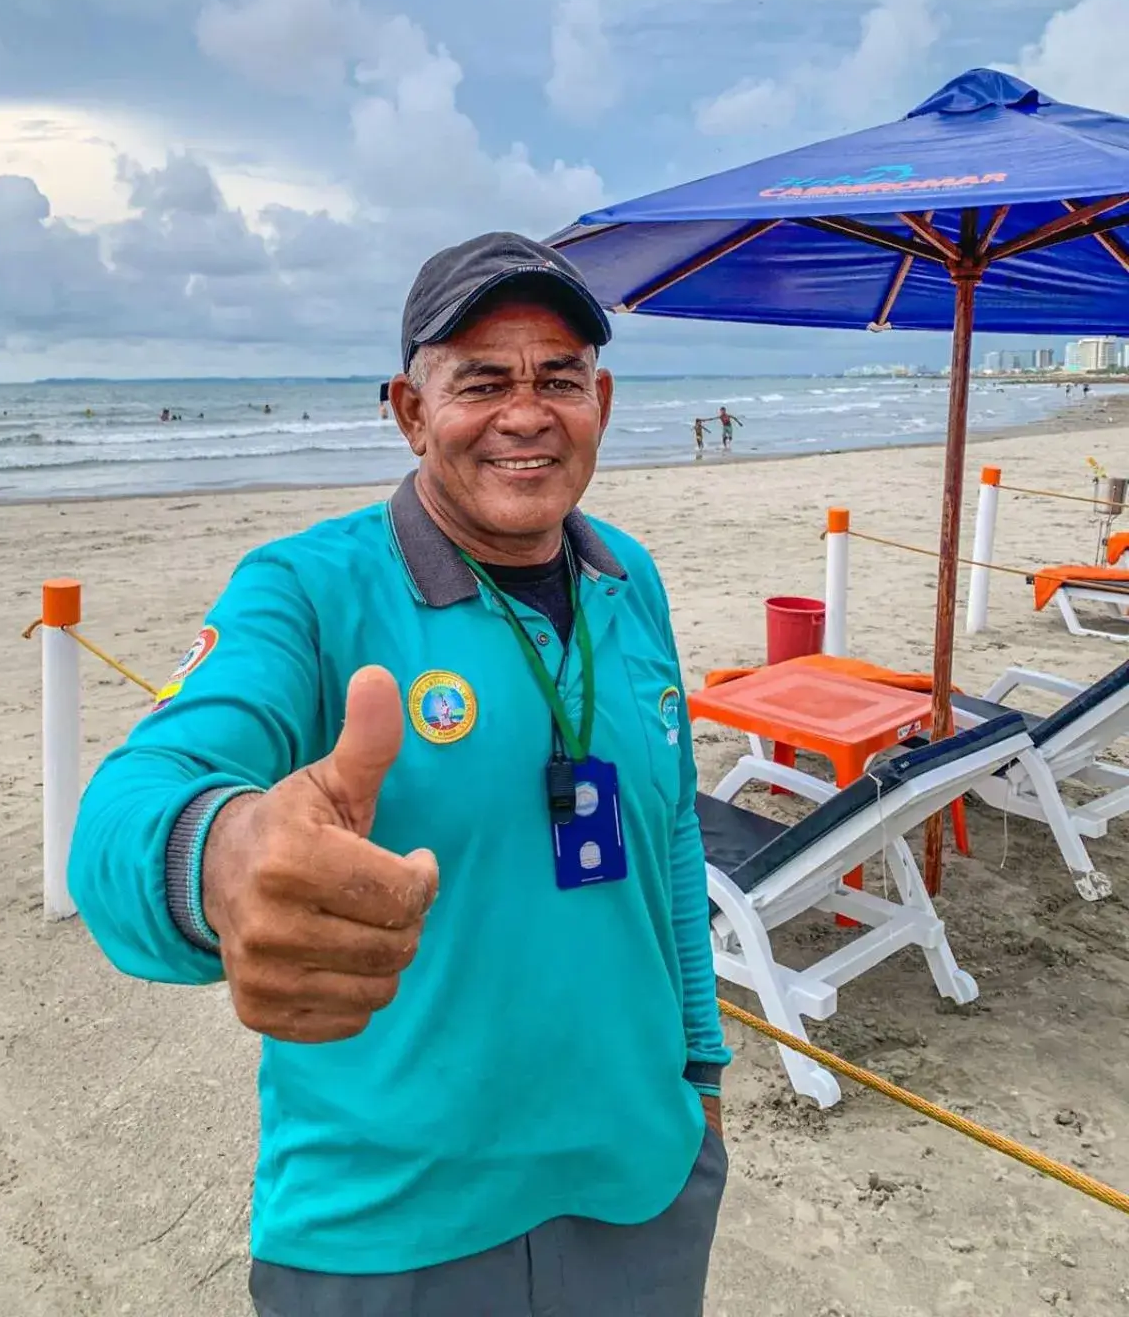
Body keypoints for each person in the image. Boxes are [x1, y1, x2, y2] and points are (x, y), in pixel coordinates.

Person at [69, 231, 729, 1317]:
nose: (526, 413)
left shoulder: (629, 576)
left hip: (642, 1184)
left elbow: (669, 844)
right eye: (480, 381)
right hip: (387, 1228)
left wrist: (700, 1074)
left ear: (600, 401)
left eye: (558, 378)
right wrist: (222, 860)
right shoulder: (306, 589)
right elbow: (131, 805)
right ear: (410, 410)